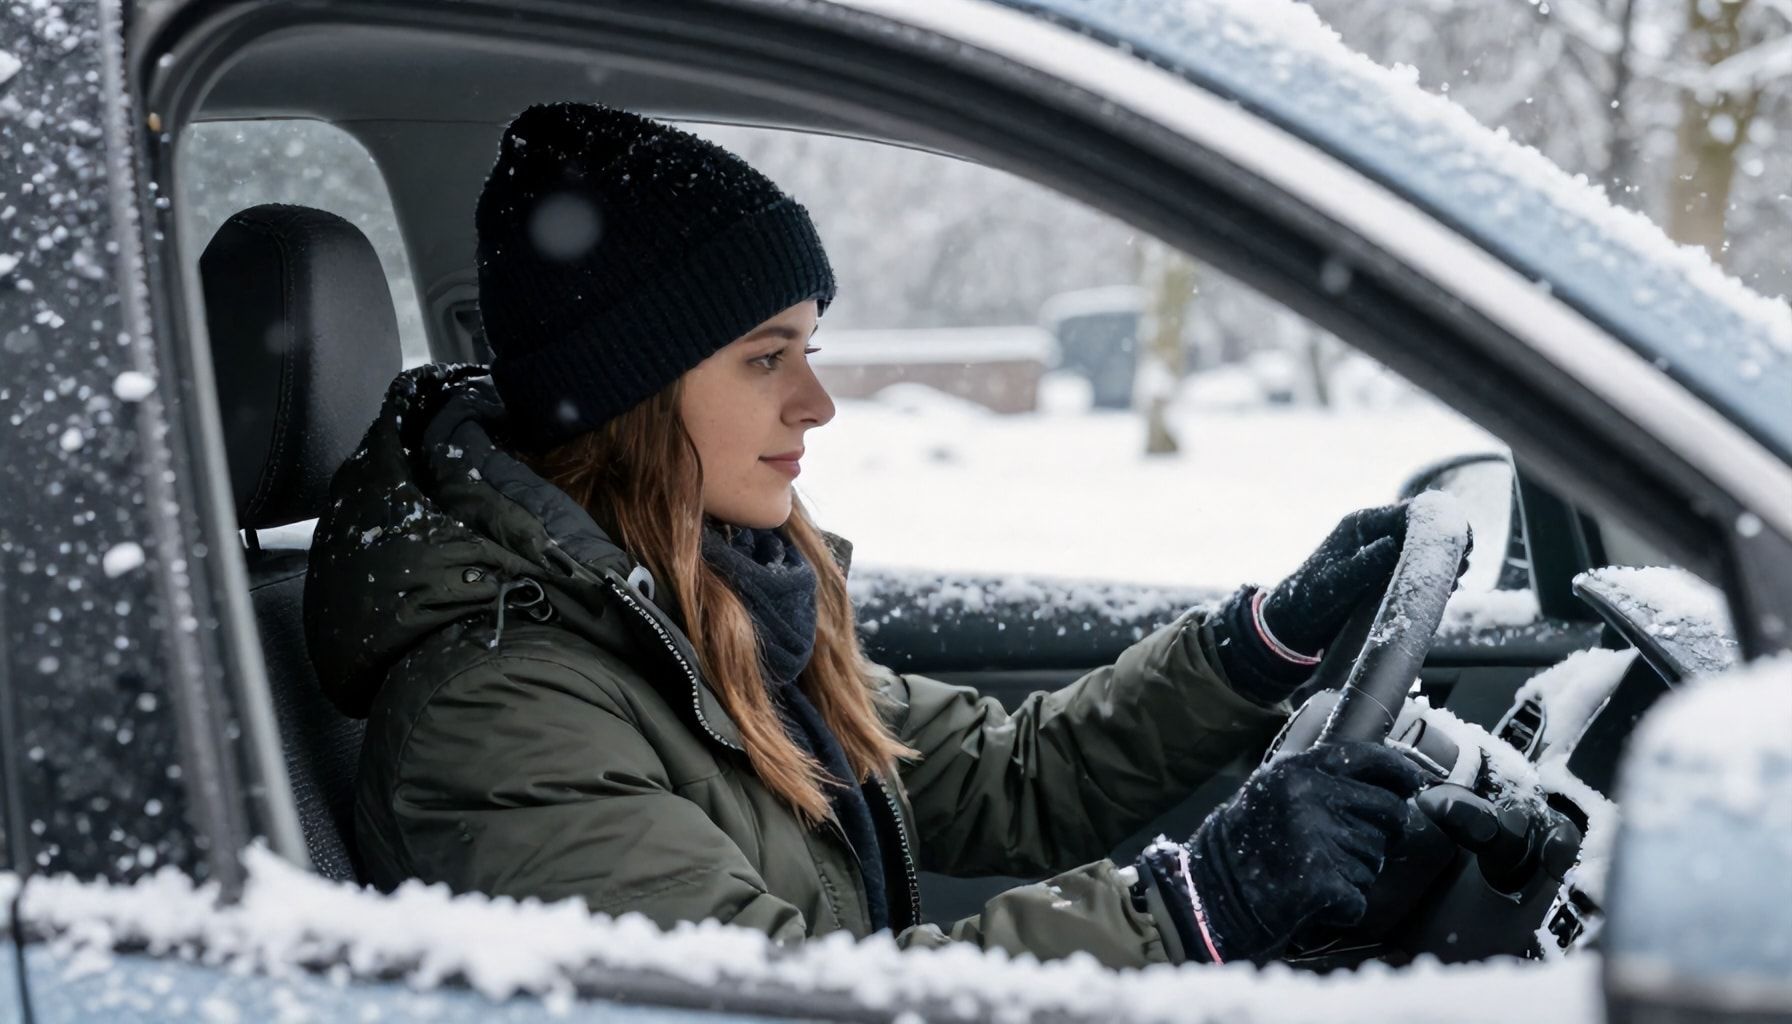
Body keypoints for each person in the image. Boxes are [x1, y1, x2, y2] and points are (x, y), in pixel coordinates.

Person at [303, 102, 1430, 968]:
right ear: (629, 392)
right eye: (764, 356)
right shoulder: (499, 721)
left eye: (812, 350)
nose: (816, 404)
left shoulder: (708, 611)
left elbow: (1014, 775)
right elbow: (793, 1004)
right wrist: (1193, 912)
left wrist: (1255, 646)